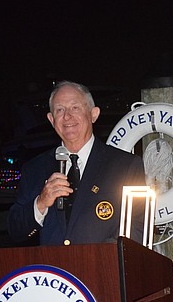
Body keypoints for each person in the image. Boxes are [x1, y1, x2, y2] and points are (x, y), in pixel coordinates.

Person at [8, 81, 146, 245]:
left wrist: (100, 258)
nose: (67, 116)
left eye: (75, 108)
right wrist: (41, 203)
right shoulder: (34, 169)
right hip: (52, 269)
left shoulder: (126, 166)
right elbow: (15, 230)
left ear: (94, 114)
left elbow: (138, 226)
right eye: (60, 110)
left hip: (103, 267)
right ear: (51, 119)